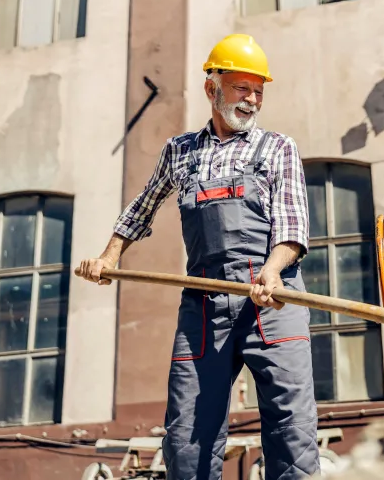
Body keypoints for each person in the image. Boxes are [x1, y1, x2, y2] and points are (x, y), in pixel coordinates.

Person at [78, 34, 320, 480]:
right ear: (213, 88)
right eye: (241, 88)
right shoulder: (180, 151)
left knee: (292, 428)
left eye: (258, 91)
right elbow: (143, 206)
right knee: (187, 433)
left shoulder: (277, 148)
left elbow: (292, 225)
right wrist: (109, 254)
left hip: (271, 297)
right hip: (204, 301)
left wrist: (271, 271)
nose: (251, 100)